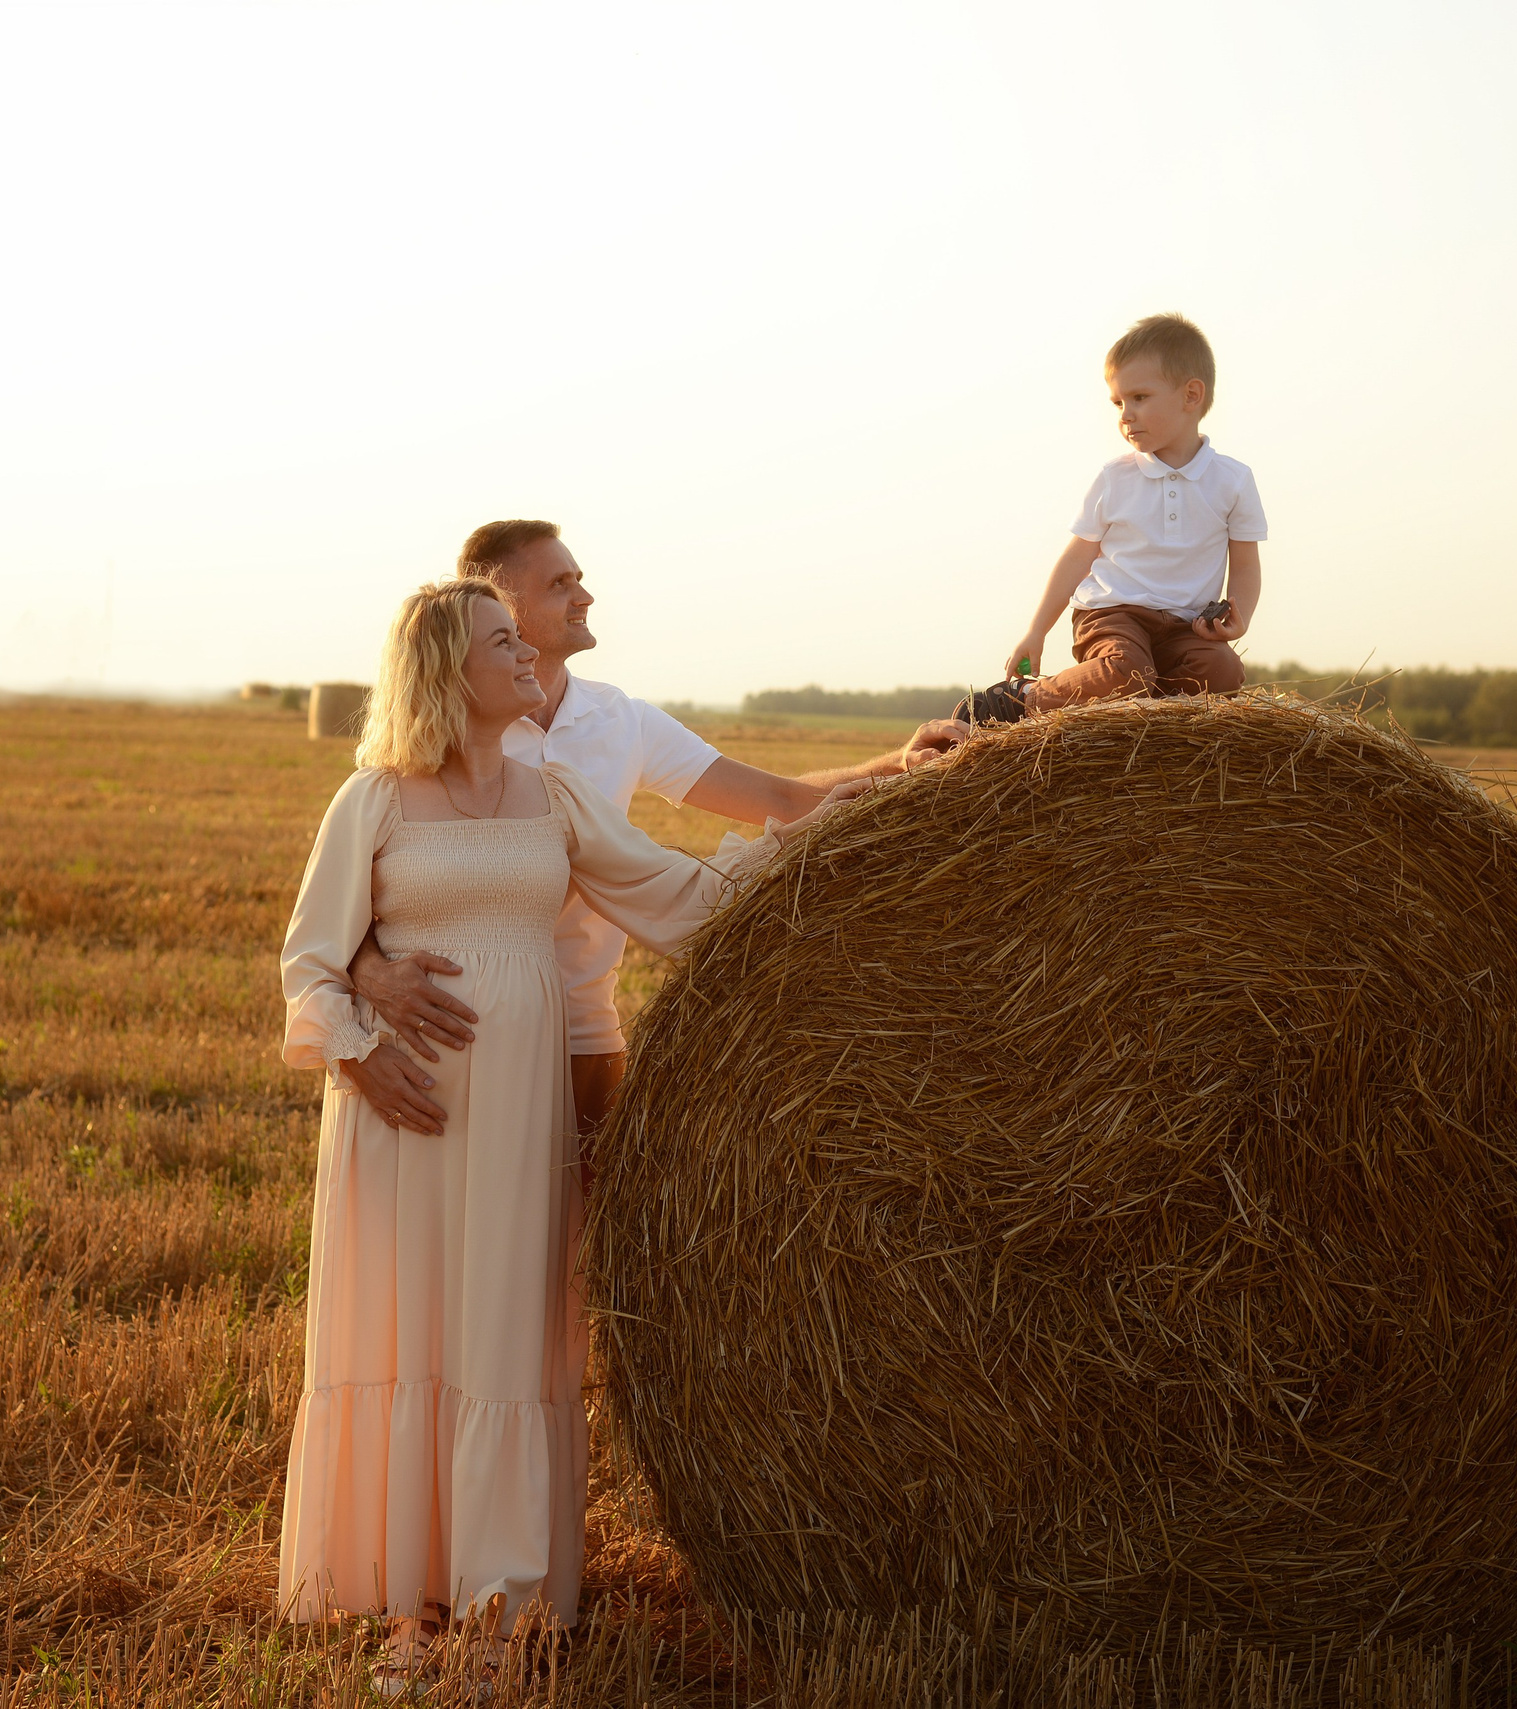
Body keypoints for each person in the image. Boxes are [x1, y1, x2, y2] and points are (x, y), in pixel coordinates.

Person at [276, 577, 842, 1693]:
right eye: (502, 641)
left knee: (502, 1331)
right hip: (405, 1112)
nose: (526, 653)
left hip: (518, 1115)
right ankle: (411, 1608)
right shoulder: (375, 801)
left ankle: (499, 1603)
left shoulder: (553, 793)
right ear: (448, 671)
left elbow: (679, 897)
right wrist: (358, 1045)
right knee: (409, 1330)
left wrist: (836, 838)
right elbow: (307, 959)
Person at [344, 520, 958, 1151]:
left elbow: (771, 802)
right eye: (560, 584)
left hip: (581, 1028)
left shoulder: (619, 722)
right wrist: (369, 979)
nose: (584, 597)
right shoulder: (418, 758)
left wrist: (896, 765)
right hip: (439, 1041)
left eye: (580, 579)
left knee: (565, 1240)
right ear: (497, 600)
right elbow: (349, 903)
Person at [955, 314, 1268, 724]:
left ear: (1191, 395)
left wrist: (1237, 617)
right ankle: (1024, 698)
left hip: (1187, 626)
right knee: (1128, 676)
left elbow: (1245, 563)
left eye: (1139, 398)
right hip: (1112, 615)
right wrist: (1037, 631)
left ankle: (1150, 722)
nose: (1125, 414)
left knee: (1223, 674)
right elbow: (1076, 558)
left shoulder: (1233, 480)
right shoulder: (1115, 477)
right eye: (1119, 403)